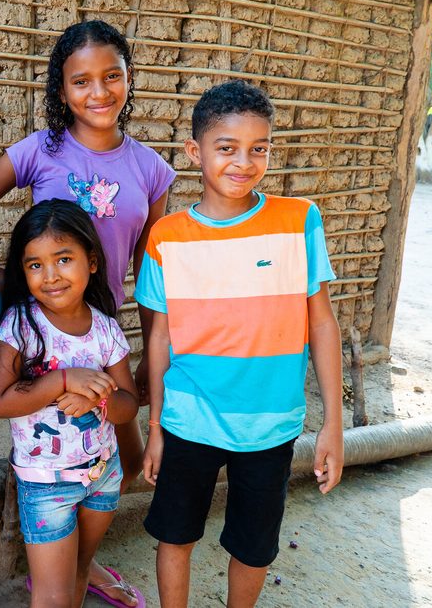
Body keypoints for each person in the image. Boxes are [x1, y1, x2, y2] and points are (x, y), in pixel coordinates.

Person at [0, 19, 173, 607]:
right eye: (81, 81)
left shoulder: (151, 169)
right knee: (50, 450)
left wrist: (146, 362)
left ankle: (79, 569)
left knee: (125, 456)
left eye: (113, 76)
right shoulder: (40, 150)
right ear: (62, 92)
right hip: (45, 340)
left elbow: (152, 275)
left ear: (129, 80)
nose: (99, 91)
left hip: (104, 335)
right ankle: (56, 572)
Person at [136, 80, 344, 608]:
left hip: (270, 423)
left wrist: (334, 425)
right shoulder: (167, 236)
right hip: (189, 418)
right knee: (175, 536)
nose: (243, 162)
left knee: (254, 547)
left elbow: (321, 324)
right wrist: (156, 427)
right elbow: (159, 338)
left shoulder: (299, 220)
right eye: (226, 148)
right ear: (195, 152)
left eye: (259, 149)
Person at [0, 199, 140, 608]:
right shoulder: (20, 325)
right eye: (35, 265)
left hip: (103, 475)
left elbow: (129, 404)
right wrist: (62, 379)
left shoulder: (105, 329)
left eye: (63, 259)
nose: (50, 276)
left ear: (91, 262)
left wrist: (99, 400)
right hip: (46, 484)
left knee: (78, 571)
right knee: (52, 596)